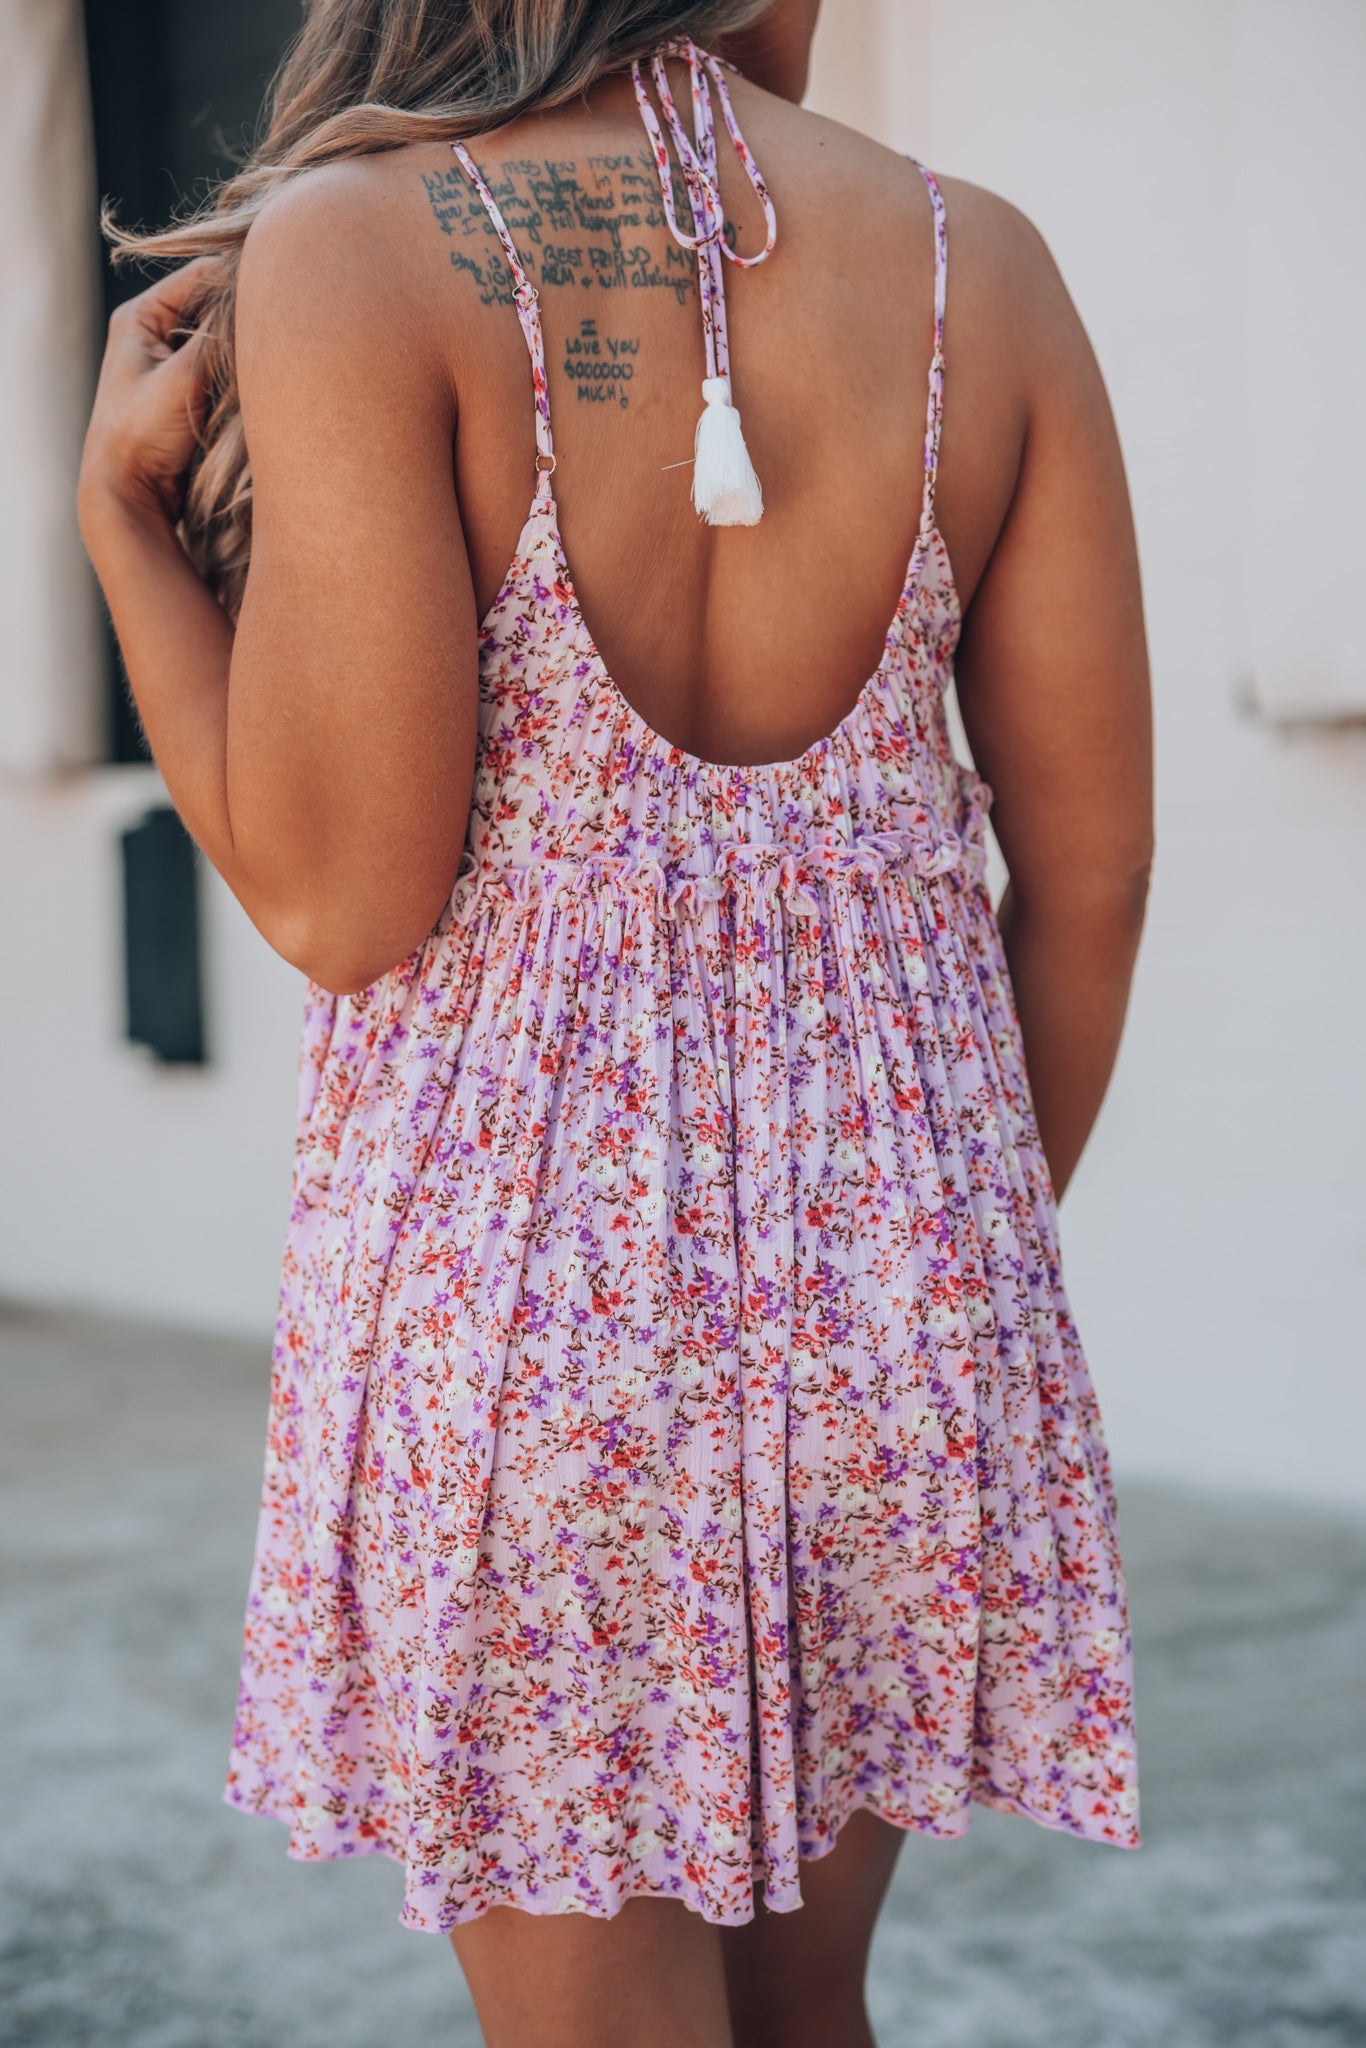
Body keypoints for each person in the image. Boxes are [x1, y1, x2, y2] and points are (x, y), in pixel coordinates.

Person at [78, 1, 1153, 2042]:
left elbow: (339, 901)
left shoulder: (360, 247)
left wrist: (126, 537)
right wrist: (940, 1279)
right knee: (807, 2014)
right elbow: (1090, 878)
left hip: (529, 1360)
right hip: (903, 1311)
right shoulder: (978, 267)